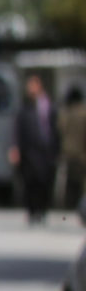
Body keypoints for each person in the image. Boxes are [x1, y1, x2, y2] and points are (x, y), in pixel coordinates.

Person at [12, 69, 59, 222]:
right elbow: (17, 130)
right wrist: (15, 148)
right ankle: (32, 210)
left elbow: (55, 129)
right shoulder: (24, 109)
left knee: (44, 181)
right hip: (29, 151)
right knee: (30, 181)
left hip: (46, 151)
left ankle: (42, 209)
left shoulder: (49, 106)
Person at [58, 82, 86, 214]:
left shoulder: (64, 113)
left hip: (68, 153)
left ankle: (68, 207)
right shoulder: (83, 113)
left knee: (69, 183)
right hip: (82, 154)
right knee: (82, 185)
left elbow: (59, 130)